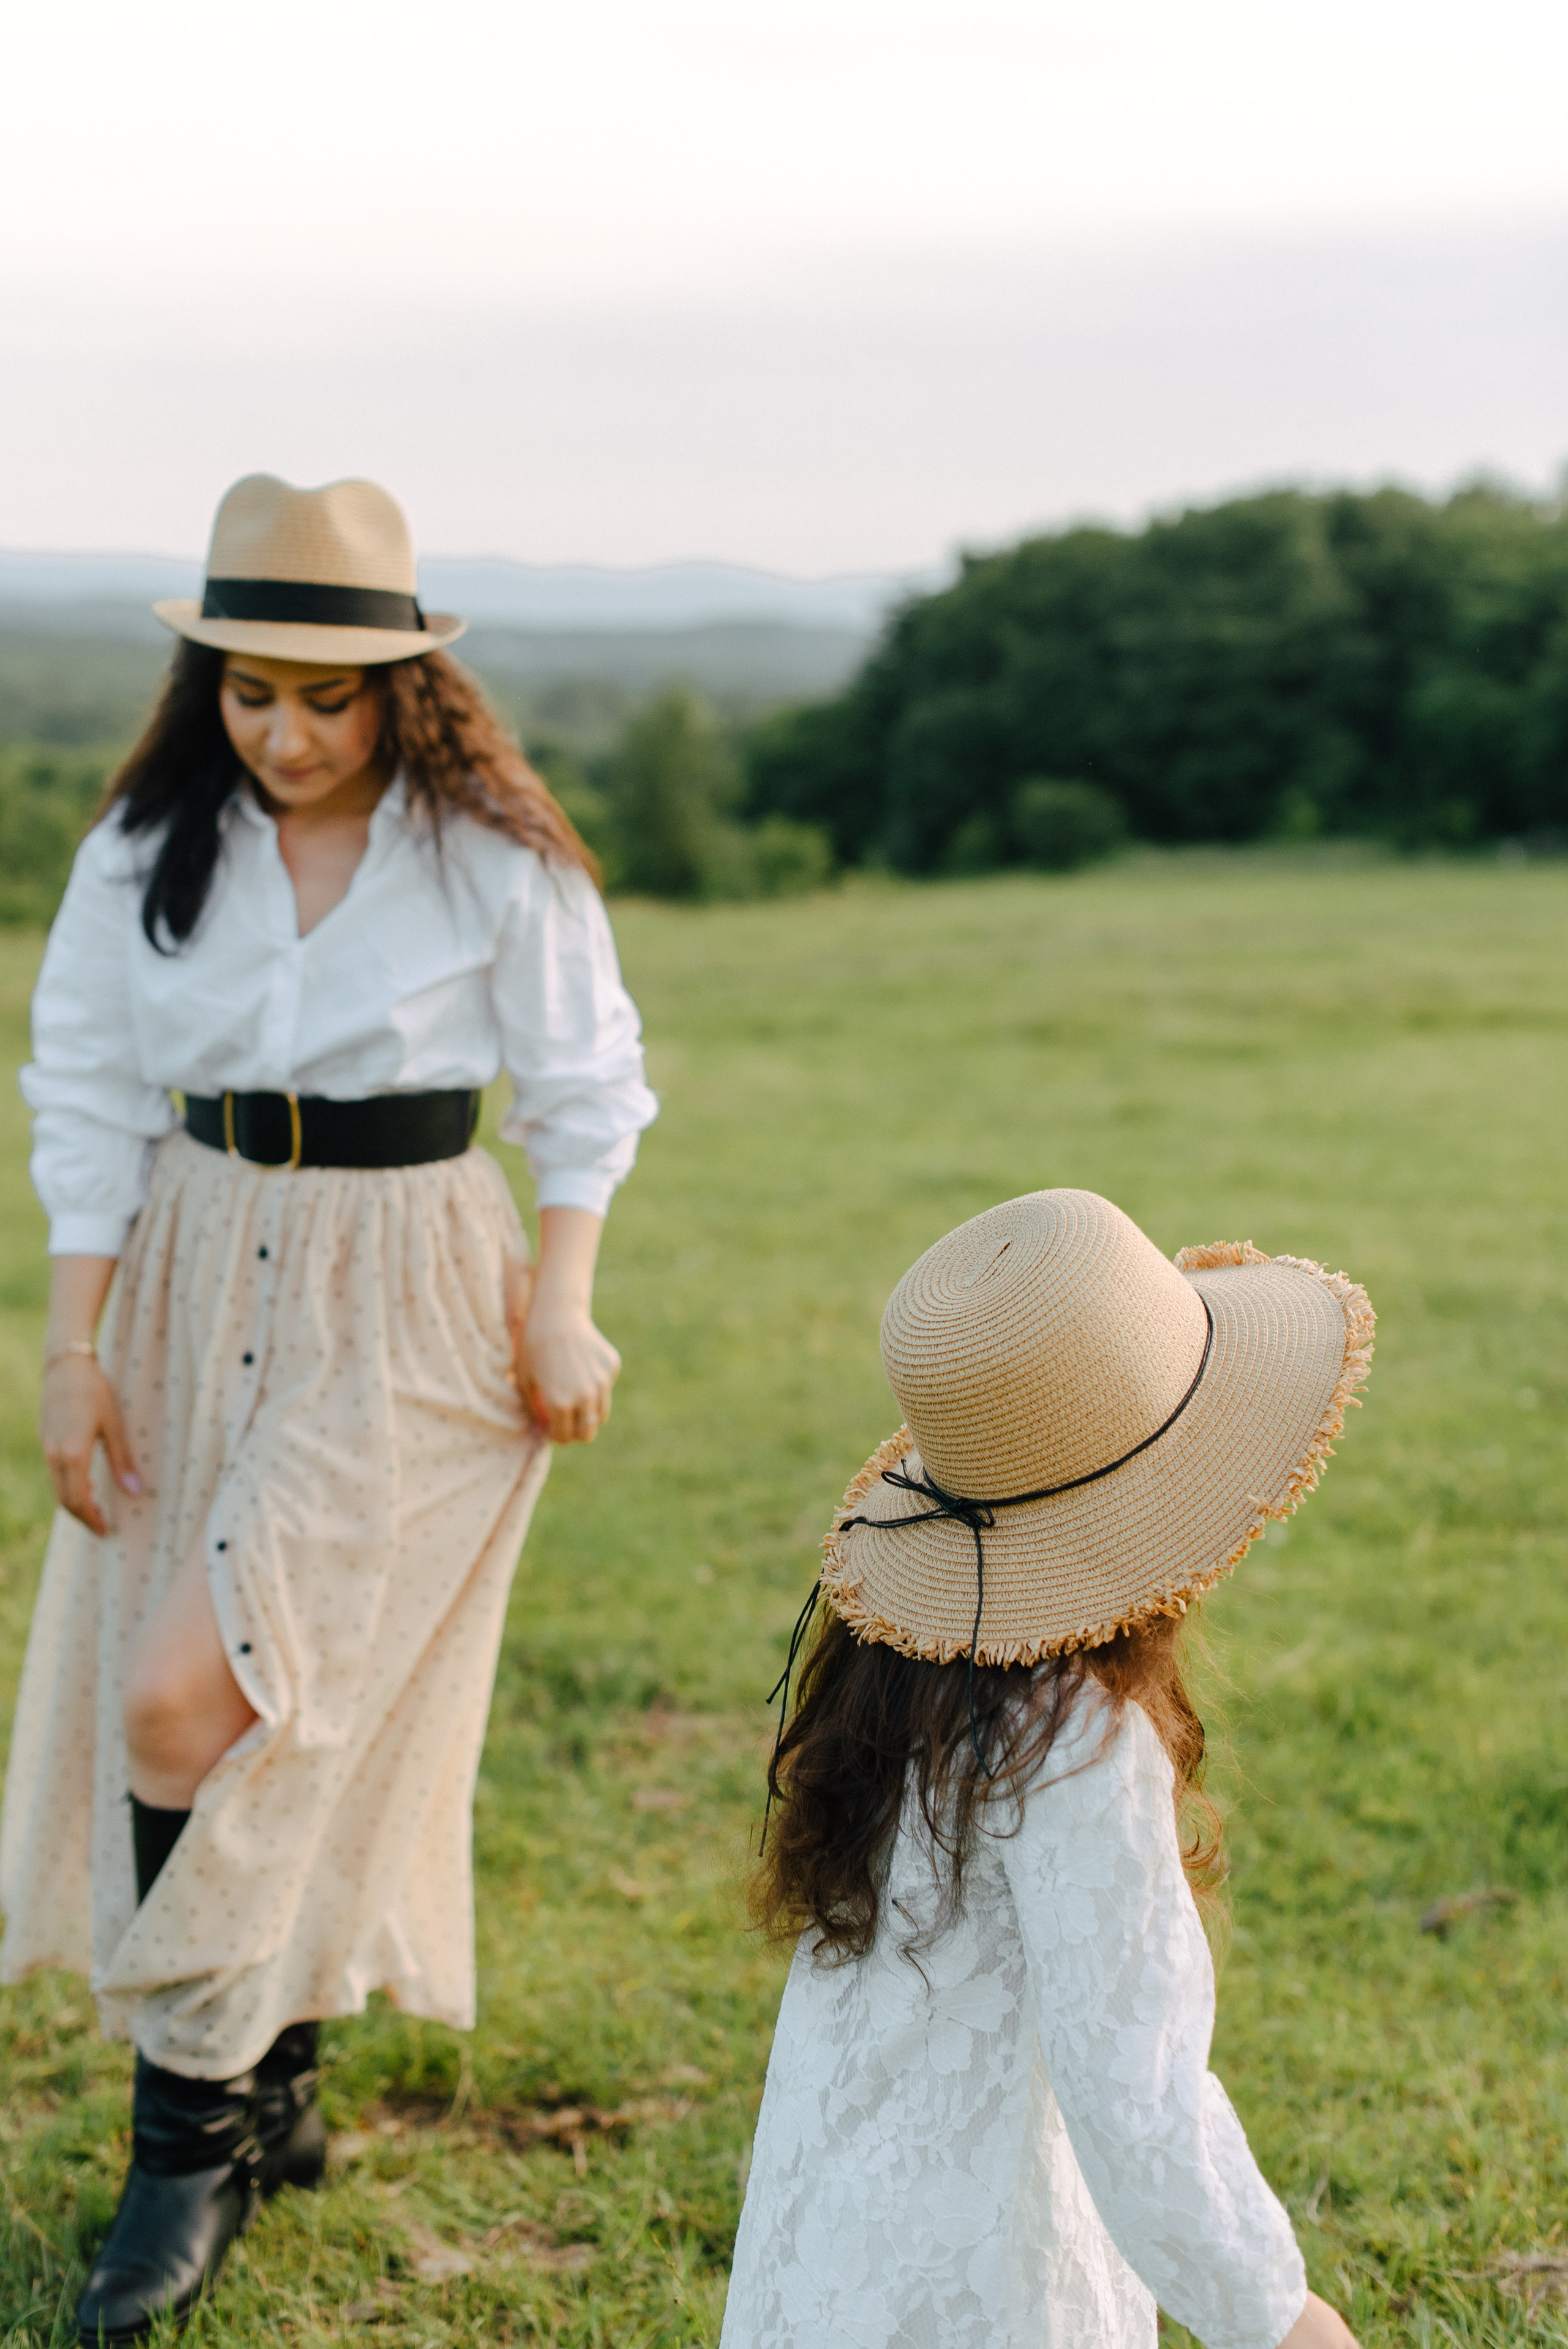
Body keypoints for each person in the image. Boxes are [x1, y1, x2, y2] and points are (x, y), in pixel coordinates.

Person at [0, 473, 658, 2344]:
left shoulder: (488, 856)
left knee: (194, 1696)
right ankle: (264, 2083)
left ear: (405, 691)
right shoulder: (145, 850)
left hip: (413, 1301)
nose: (286, 733)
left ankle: (179, 2144)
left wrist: (562, 1304)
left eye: (329, 695)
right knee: (232, 1700)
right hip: (197, 1276)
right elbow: (87, 1095)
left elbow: (586, 1088)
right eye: (251, 691)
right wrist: (73, 1345)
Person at [730, 1189, 1374, 2349]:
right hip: (986, 2293)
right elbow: (1138, 2096)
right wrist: (1278, 2313)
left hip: (830, 2265)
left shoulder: (904, 1680)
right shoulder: (1074, 1739)